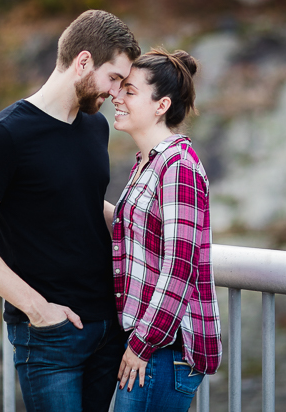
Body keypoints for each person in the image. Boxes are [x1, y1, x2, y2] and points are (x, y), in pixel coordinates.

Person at [0, 9, 141, 412]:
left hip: (109, 323)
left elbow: (79, 199)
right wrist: (38, 309)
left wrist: (141, 225)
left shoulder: (94, 127)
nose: (117, 94)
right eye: (114, 79)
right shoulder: (5, 137)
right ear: (83, 62)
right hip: (51, 335)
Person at [109, 48, 222, 412]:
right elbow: (137, 230)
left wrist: (142, 345)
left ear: (161, 105)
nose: (117, 97)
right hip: (148, 344)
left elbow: (180, 267)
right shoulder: (146, 164)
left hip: (163, 350)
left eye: (130, 91)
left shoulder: (178, 167)